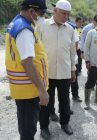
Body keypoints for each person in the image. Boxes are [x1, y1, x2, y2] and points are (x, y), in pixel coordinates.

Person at [5, 0, 49, 139]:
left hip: (24, 88)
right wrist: (42, 90)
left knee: (26, 126)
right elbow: (27, 62)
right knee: (28, 130)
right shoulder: (24, 30)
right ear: (31, 11)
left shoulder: (17, 23)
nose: (42, 17)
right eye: (41, 14)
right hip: (29, 90)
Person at [37, 0, 76, 138]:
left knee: (65, 99)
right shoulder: (42, 26)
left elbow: (72, 52)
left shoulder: (71, 29)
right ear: (55, 11)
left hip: (64, 72)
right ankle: (44, 127)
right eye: (63, 13)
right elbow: (36, 49)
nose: (65, 16)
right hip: (46, 72)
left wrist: (73, 69)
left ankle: (65, 123)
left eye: (68, 14)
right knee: (46, 101)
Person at [70, 17, 83, 102]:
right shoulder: (72, 29)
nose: (81, 24)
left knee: (75, 78)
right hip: (66, 58)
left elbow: (76, 46)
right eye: (79, 22)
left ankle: (75, 95)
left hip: (75, 55)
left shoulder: (76, 30)